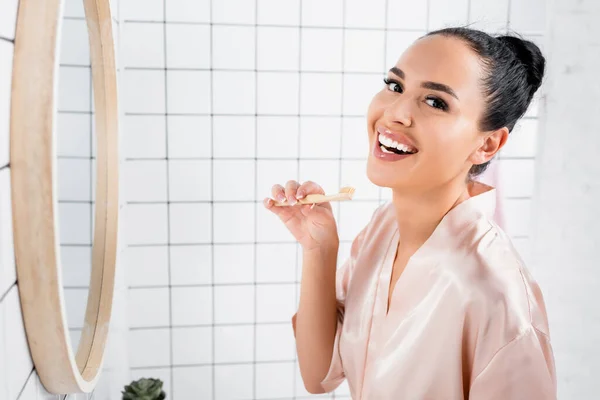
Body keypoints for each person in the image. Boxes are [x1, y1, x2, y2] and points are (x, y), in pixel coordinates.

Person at [263, 27, 556, 399]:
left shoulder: (496, 297)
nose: (396, 113)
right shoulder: (382, 231)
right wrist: (319, 249)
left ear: (487, 144)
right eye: (395, 85)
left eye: (436, 102)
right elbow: (318, 375)